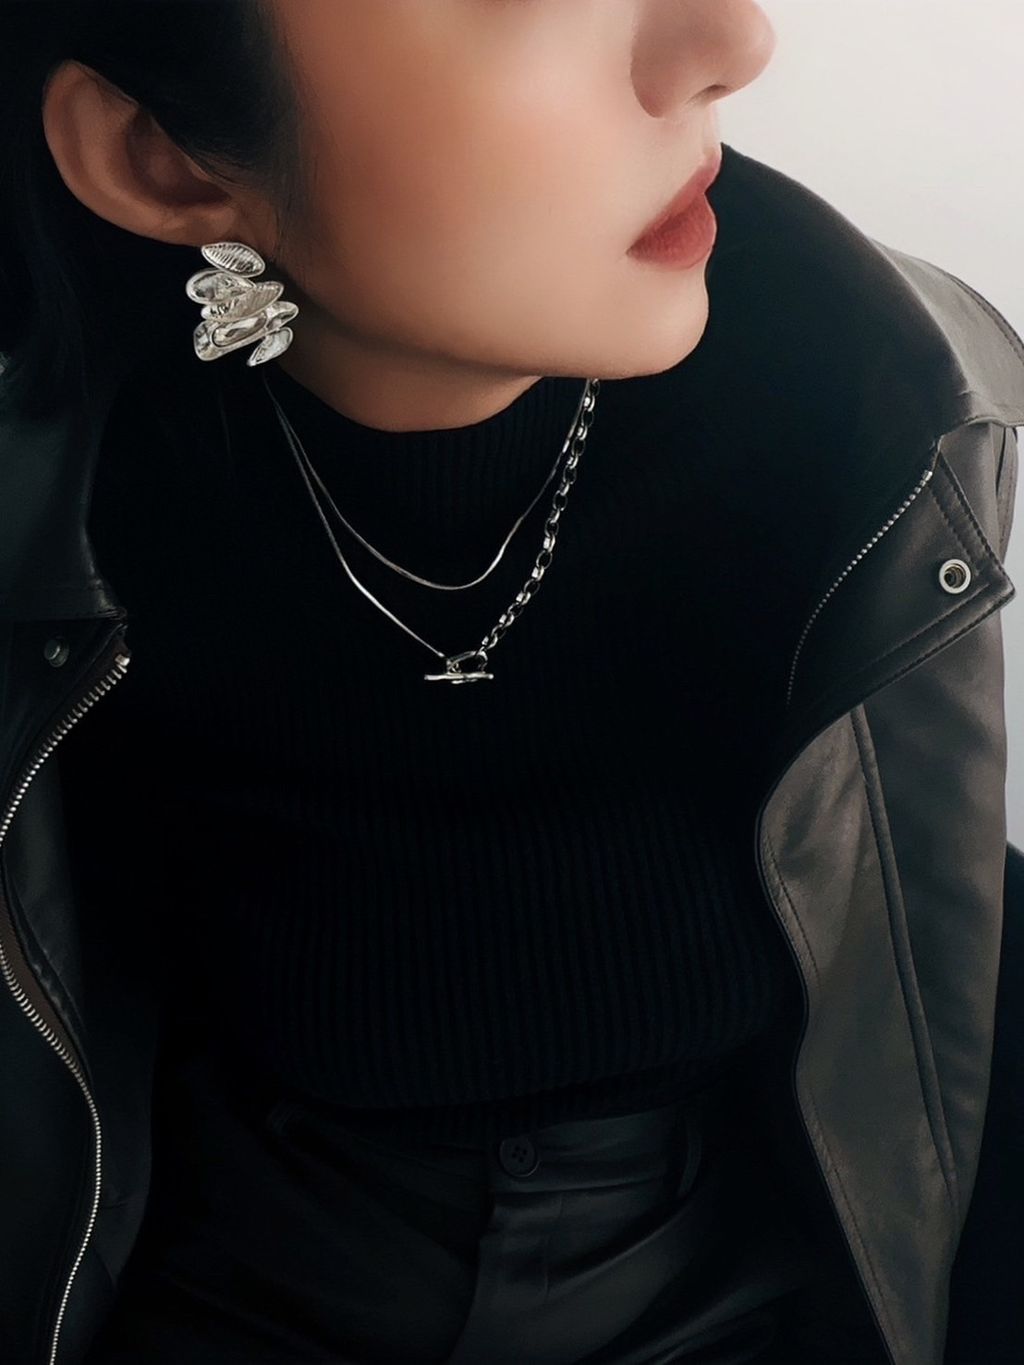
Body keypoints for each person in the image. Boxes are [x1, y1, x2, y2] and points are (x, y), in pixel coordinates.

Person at [1, 3, 1021, 1363]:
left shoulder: (874, 427)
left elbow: (928, 938)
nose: (729, 41)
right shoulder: (69, 509)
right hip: (233, 1276)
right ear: (168, 159)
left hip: (759, 1280)